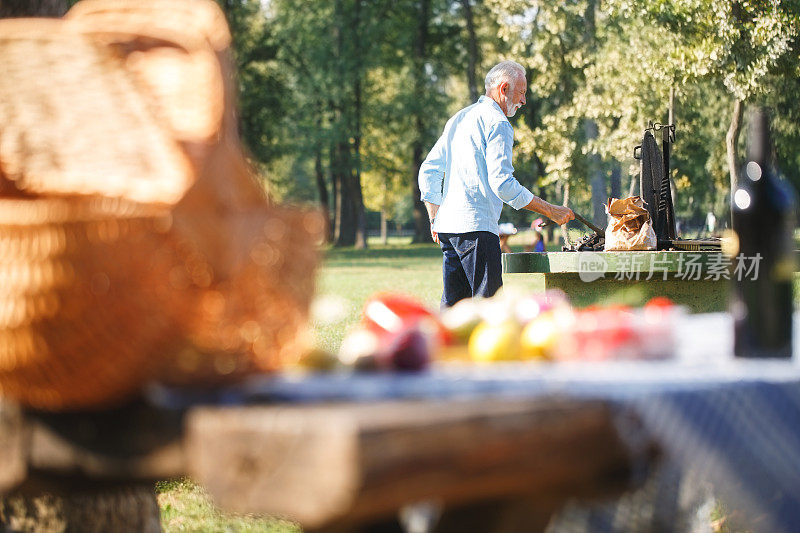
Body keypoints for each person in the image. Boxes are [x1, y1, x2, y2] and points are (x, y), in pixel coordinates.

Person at [418, 60, 573, 308]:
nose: (523, 101)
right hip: (476, 229)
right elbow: (502, 184)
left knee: (454, 312)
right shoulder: (498, 122)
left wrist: (435, 217)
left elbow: (429, 170)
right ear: (503, 89)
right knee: (489, 311)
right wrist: (550, 210)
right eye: (521, 93)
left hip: (449, 229)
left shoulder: (460, 117)